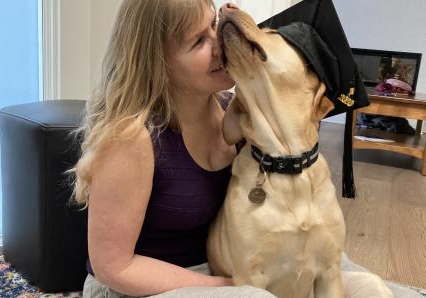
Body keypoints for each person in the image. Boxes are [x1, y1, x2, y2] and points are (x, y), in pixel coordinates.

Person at [70, 1, 274, 297]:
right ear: (158, 62)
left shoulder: (232, 109)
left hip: (216, 262)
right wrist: (228, 286)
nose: (220, 45)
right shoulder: (132, 139)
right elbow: (113, 268)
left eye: (214, 25)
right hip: (134, 284)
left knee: (337, 271)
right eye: (199, 41)